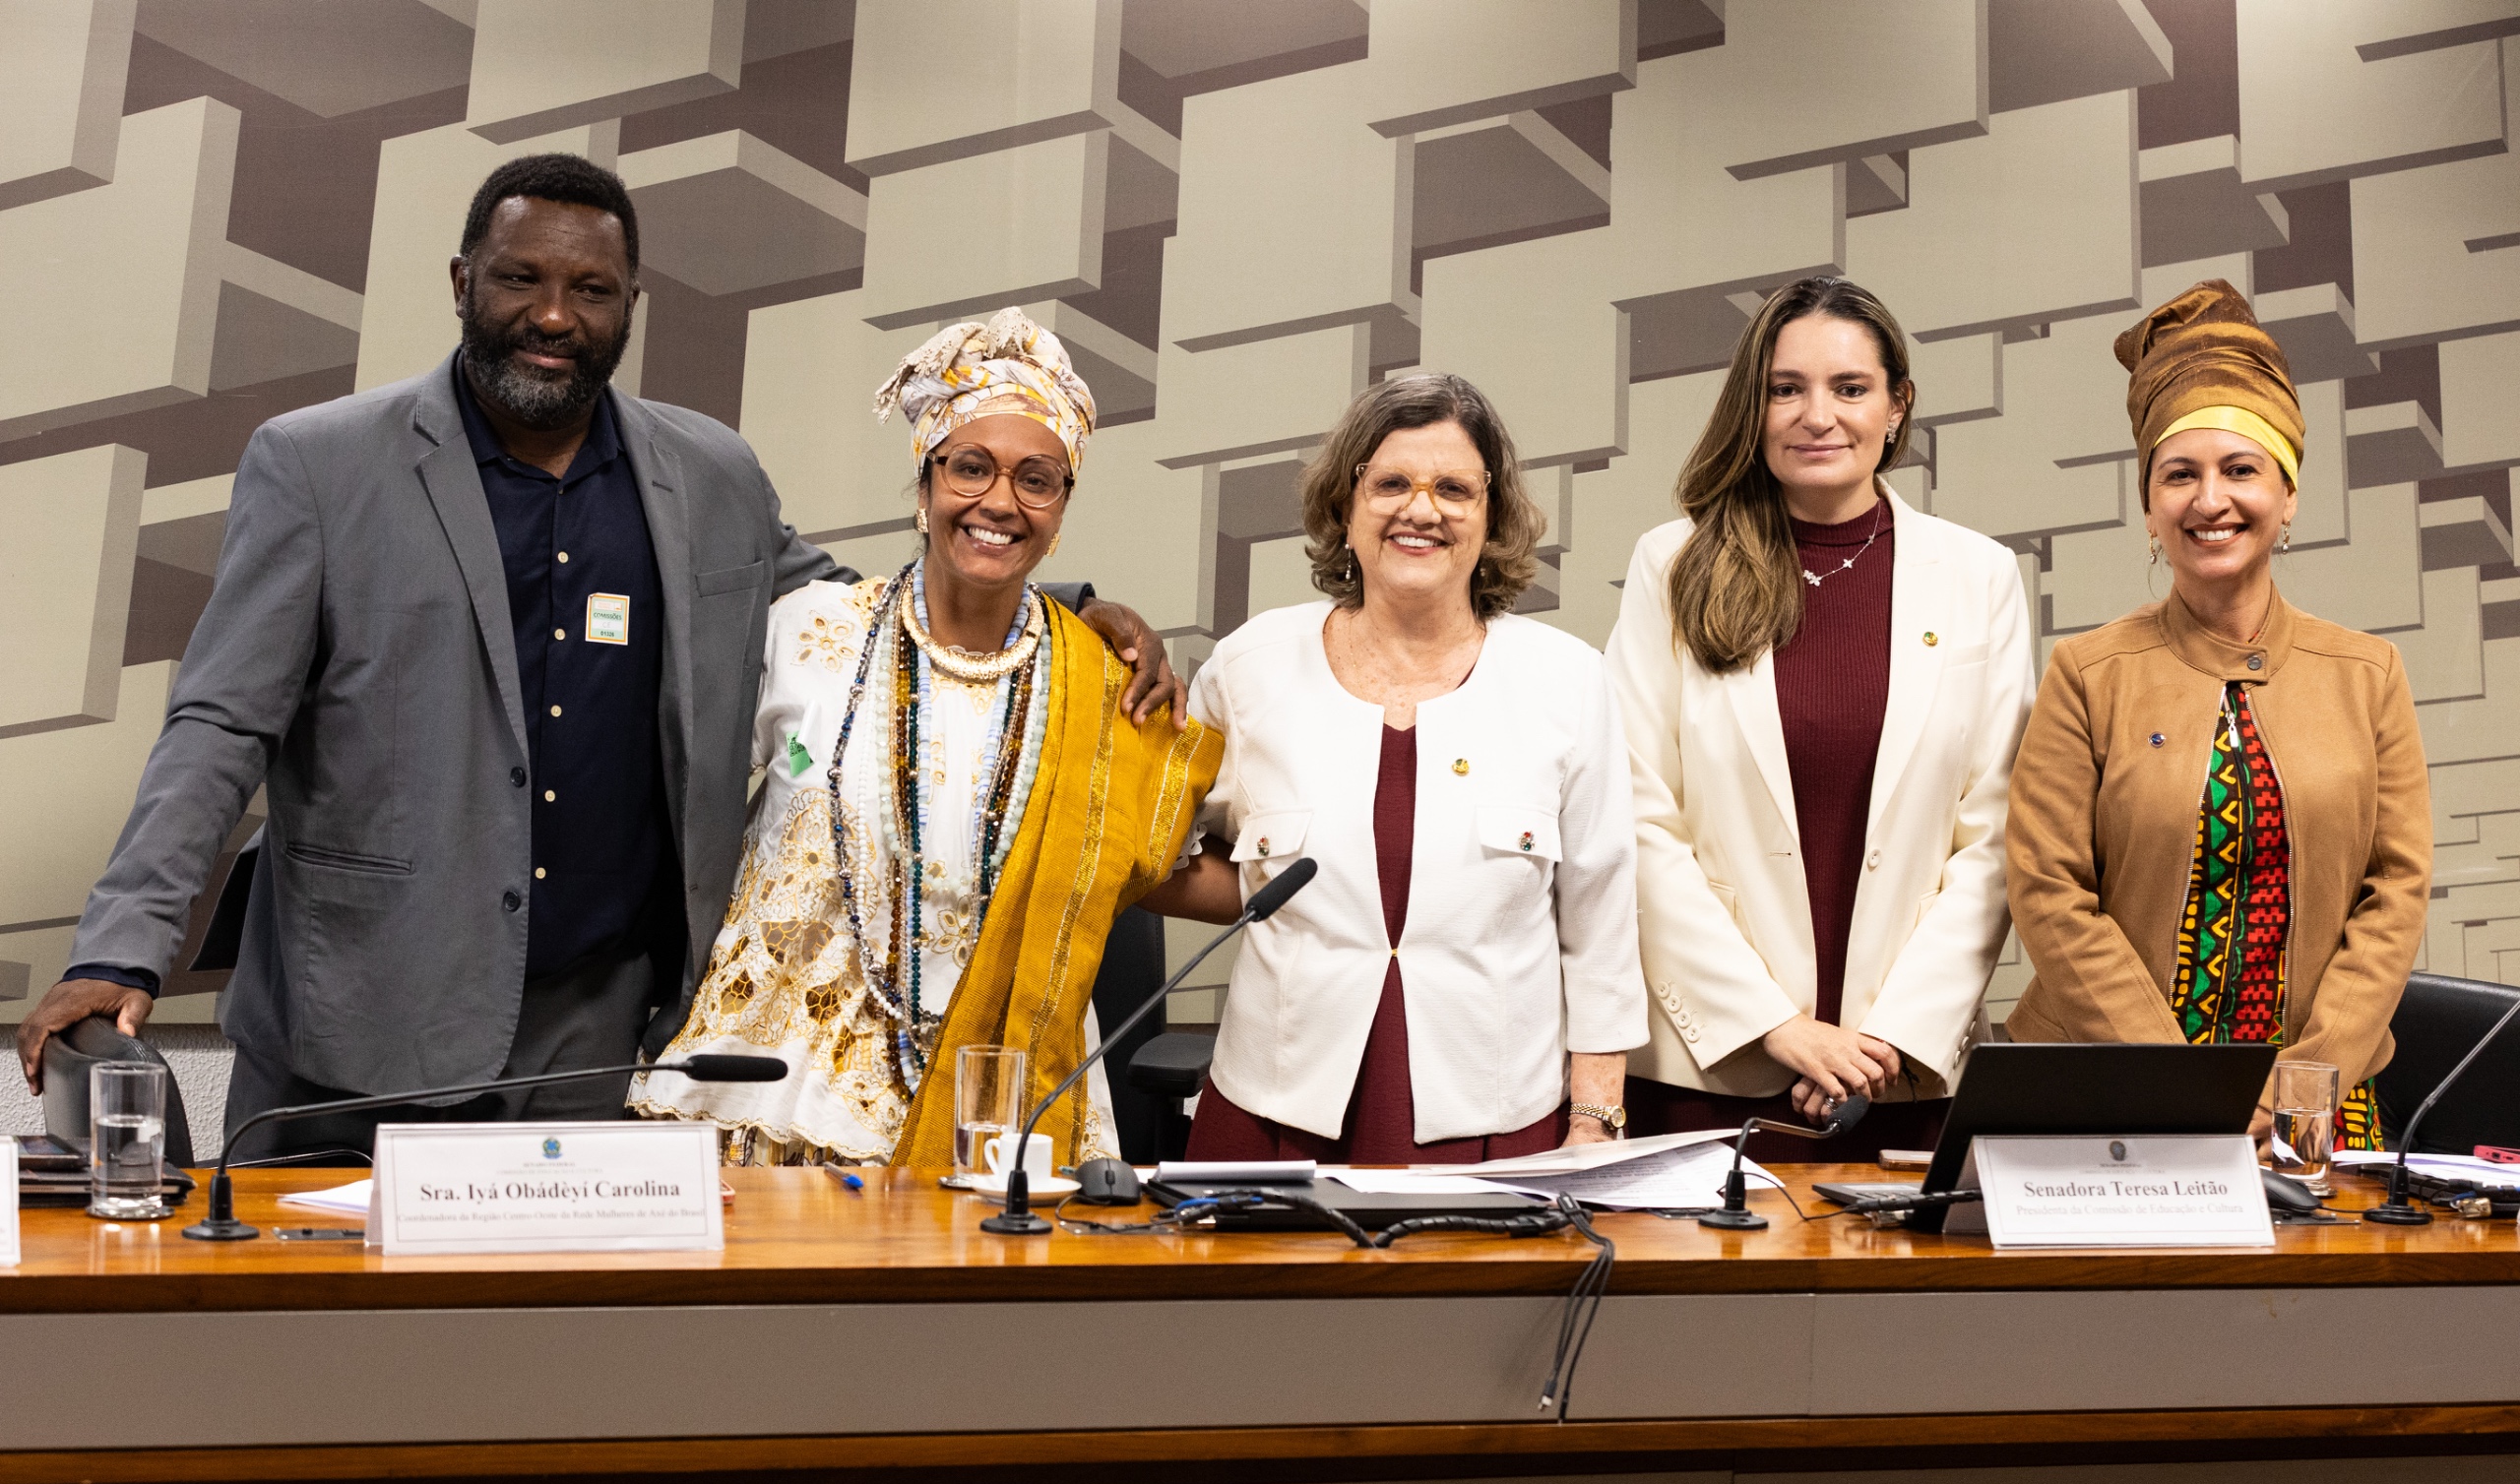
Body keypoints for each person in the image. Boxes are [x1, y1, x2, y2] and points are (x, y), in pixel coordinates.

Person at [13, 155, 1182, 1155]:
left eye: (591, 288)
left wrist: (1067, 606)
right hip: (361, 1018)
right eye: (522, 278)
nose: (555, 314)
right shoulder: (320, 466)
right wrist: (124, 948)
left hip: (593, 1031)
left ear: (632, 302)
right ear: (464, 282)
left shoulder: (710, 474)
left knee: (549, 1371)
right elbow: (220, 722)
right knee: (329, 1370)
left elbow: (860, 610)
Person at [631, 309, 1223, 1171]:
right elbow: (674, 810)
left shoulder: (1105, 685)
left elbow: (1160, 868)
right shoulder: (805, 631)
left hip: (1002, 1105)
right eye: (970, 468)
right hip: (777, 1097)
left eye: (1037, 479)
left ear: (1061, 510)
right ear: (924, 484)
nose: (998, 502)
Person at [1148, 374, 1645, 1163]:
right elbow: (1155, 850)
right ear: (1346, 508)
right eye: (1390, 484)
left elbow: (1602, 924)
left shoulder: (1567, 680)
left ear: (1492, 518)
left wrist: (1595, 1121)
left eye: (1454, 487)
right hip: (1273, 1114)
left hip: (1495, 1119)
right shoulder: (1251, 669)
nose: (1422, 509)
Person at [1604, 277, 2036, 1162]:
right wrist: (1777, 1026)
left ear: (1896, 405)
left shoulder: (1979, 577)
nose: (1817, 415)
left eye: (1849, 389)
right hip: (1711, 1078)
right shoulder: (1672, 564)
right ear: (1751, 406)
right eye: (1785, 388)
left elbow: (1994, 837)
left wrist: (1888, 1038)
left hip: (1903, 1076)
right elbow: (1637, 821)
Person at [2006, 279, 2430, 1149]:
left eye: (2241, 470)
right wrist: (2184, 1087)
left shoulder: (2369, 673)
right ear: (2150, 506)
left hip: (2317, 1105)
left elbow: (2395, 894)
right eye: (2180, 475)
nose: (2210, 500)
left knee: (2323, 1286)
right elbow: (2049, 893)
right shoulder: (2087, 673)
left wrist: (2305, 1082)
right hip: (2112, 1090)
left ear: (2289, 497)